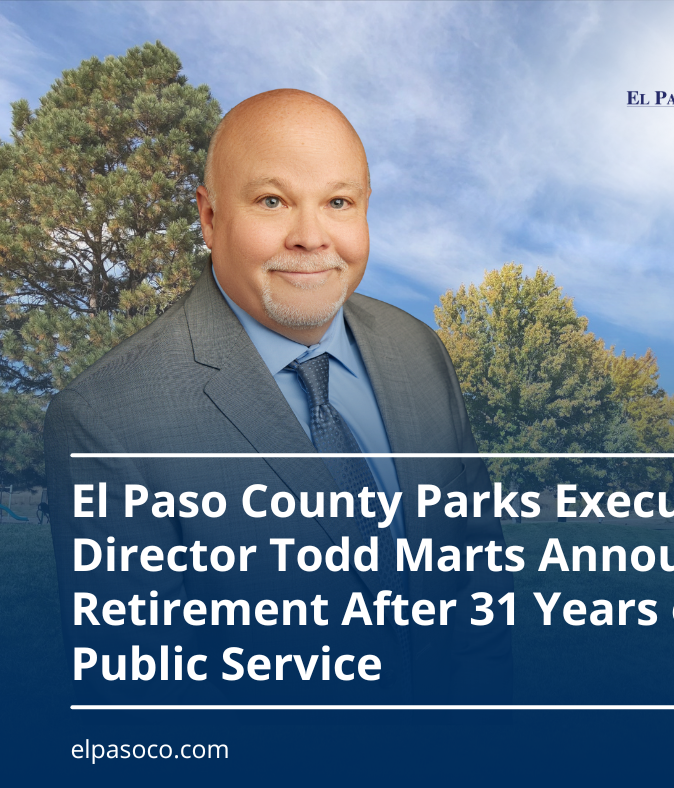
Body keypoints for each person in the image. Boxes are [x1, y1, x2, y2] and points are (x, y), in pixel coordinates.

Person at [44, 89, 511, 705]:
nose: (311, 237)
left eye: (339, 202)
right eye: (273, 201)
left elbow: (475, 587)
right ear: (210, 218)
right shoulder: (108, 419)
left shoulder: (418, 352)